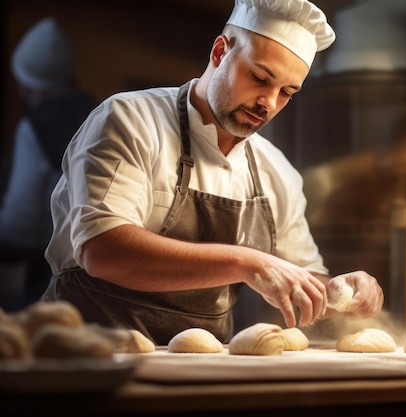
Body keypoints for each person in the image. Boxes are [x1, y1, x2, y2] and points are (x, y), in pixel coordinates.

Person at [41, 0, 384, 345]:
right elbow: (102, 251)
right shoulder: (130, 120)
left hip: (200, 371)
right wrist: (247, 263)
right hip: (88, 359)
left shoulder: (276, 171)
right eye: (260, 78)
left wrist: (342, 293)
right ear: (220, 51)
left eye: (286, 93)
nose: (269, 102)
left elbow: (300, 279)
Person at [0, 17, 96, 311]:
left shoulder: (35, 129)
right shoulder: (100, 115)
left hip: (51, 286)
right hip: (103, 287)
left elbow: (21, 226)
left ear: (30, 87)